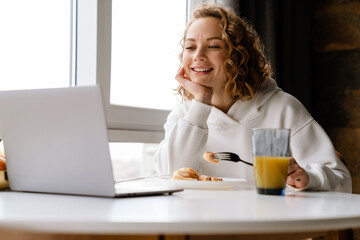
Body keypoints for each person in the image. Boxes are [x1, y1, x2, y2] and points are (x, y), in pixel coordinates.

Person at [153, 3, 351, 192]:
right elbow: (169, 175)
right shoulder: (185, 114)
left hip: (270, 223)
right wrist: (201, 103)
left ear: (238, 55)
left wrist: (308, 177)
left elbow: (341, 180)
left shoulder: (282, 108)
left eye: (213, 46)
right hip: (204, 224)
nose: (198, 55)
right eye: (190, 47)